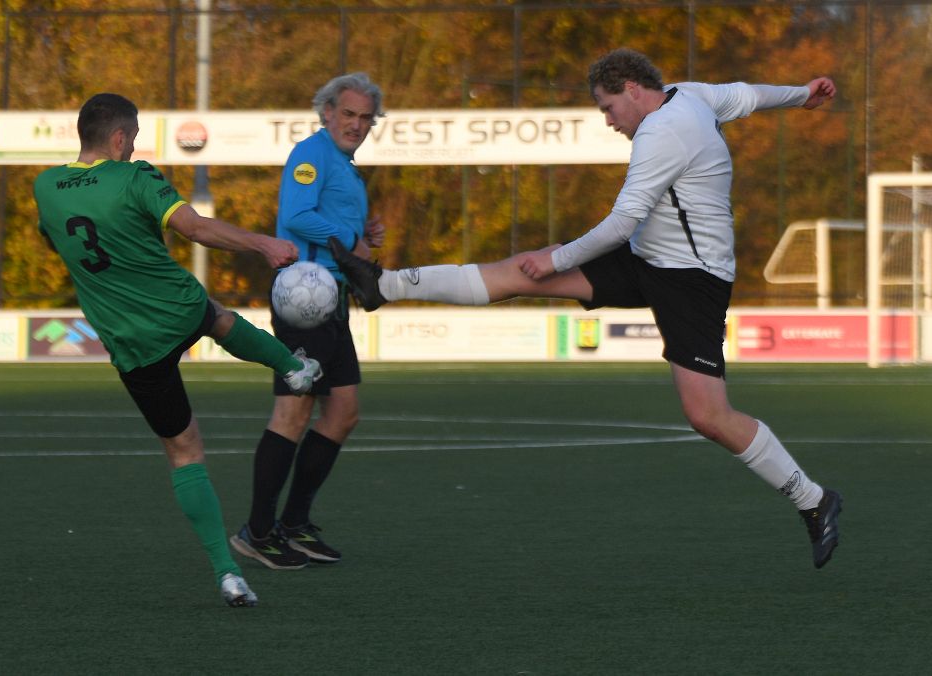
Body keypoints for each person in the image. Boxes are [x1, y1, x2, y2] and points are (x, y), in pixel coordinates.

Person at [330, 48, 843, 569]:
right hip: (646, 257)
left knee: (707, 415)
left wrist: (555, 258)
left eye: (607, 107)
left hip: (693, 279)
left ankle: (814, 499)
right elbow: (749, 95)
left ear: (632, 90)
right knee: (518, 274)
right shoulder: (691, 94)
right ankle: (384, 285)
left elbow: (621, 222)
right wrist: (802, 95)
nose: (608, 120)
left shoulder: (664, 131)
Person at [32, 93, 323, 607]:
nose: (134, 146)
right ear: (119, 137)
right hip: (175, 307)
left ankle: (227, 573)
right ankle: (292, 367)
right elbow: (196, 228)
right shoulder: (136, 176)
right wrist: (262, 243)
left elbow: (55, 240)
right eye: (133, 137)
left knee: (184, 451)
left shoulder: (46, 186)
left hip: (130, 341)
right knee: (216, 317)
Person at [229, 72, 385, 570]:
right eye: (348, 114)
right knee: (293, 414)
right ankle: (258, 531)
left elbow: (331, 220)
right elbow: (297, 215)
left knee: (343, 412)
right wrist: (351, 239)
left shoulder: (346, 166)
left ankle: (294, 524)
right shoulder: (312, 153)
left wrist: (365, 231)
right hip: (304, 299)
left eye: (365, 118)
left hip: (331, 298)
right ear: (327, 112)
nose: (356, 124)